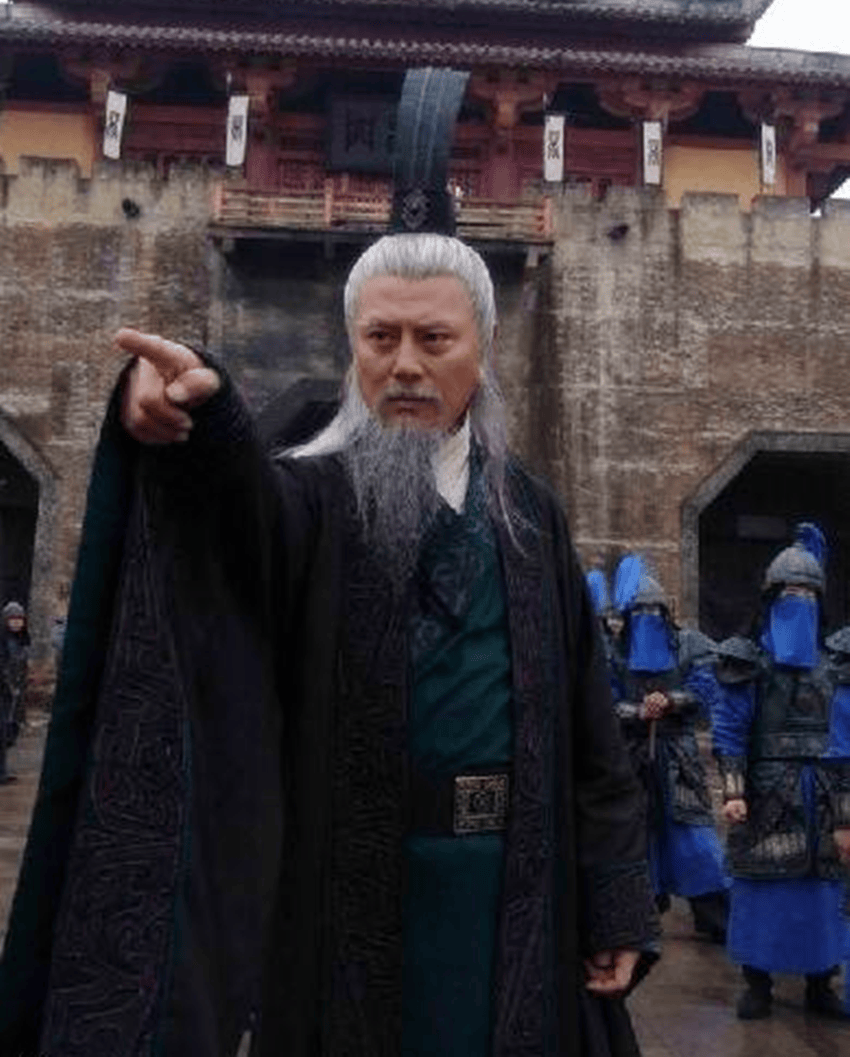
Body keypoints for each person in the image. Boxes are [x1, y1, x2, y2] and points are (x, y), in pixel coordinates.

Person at [0, 233, 659, 1057]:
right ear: (353, 347)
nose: (405, 365)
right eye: (381, 338)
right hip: (348, 894)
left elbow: (592, 734)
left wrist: (616, 900)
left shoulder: (530, 514)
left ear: (483, 349)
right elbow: (239, 511)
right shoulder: (310, 497)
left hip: (516, 886)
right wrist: (194, 415)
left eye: (434, 338)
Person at [713, 527, 850, 1020]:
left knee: (824, 896)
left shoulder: (837, 665)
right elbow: (730, 730)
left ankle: (820, 984)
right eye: (791, 592)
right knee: (762, 891)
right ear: (771, 598)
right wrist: (733, 791)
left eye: (808, 593)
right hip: (766, 794)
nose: (800, 601)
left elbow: (847, 741)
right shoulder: (747, 662)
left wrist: (847, 813)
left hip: (824, 795)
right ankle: (758, 984)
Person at [608, 557, 729, 942]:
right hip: (632, 755)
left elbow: (707, 689)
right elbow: (603, 699)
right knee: (635, 838)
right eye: (640, 611)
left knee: (696, 842)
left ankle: (714, 917)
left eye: (654, 610)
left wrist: (673, 700)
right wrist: (636, 710)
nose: (648, 617)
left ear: (666, 613)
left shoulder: (690, 645)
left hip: (679, 757)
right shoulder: (613, 652)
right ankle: (641, 915)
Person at [0, 600, 28, 783]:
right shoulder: (3, 640)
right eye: (12, 619)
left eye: (19, 619)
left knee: (11, 731)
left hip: (15, 694)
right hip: (4, 692)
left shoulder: (21, 639)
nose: (16, 622)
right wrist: (9, 685)